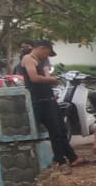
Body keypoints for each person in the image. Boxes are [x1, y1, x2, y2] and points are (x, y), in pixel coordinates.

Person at [22, 39, 85, 168]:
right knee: (55, 131)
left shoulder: (39, 60)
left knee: (62, 129)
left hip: (49, 99)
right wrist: (50, 79)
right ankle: (60, 161)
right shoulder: (28, 59)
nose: (46, 56)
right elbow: (33, 78)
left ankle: (73, 157)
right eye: (47, 53)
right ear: (42, 48)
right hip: (40, 101)